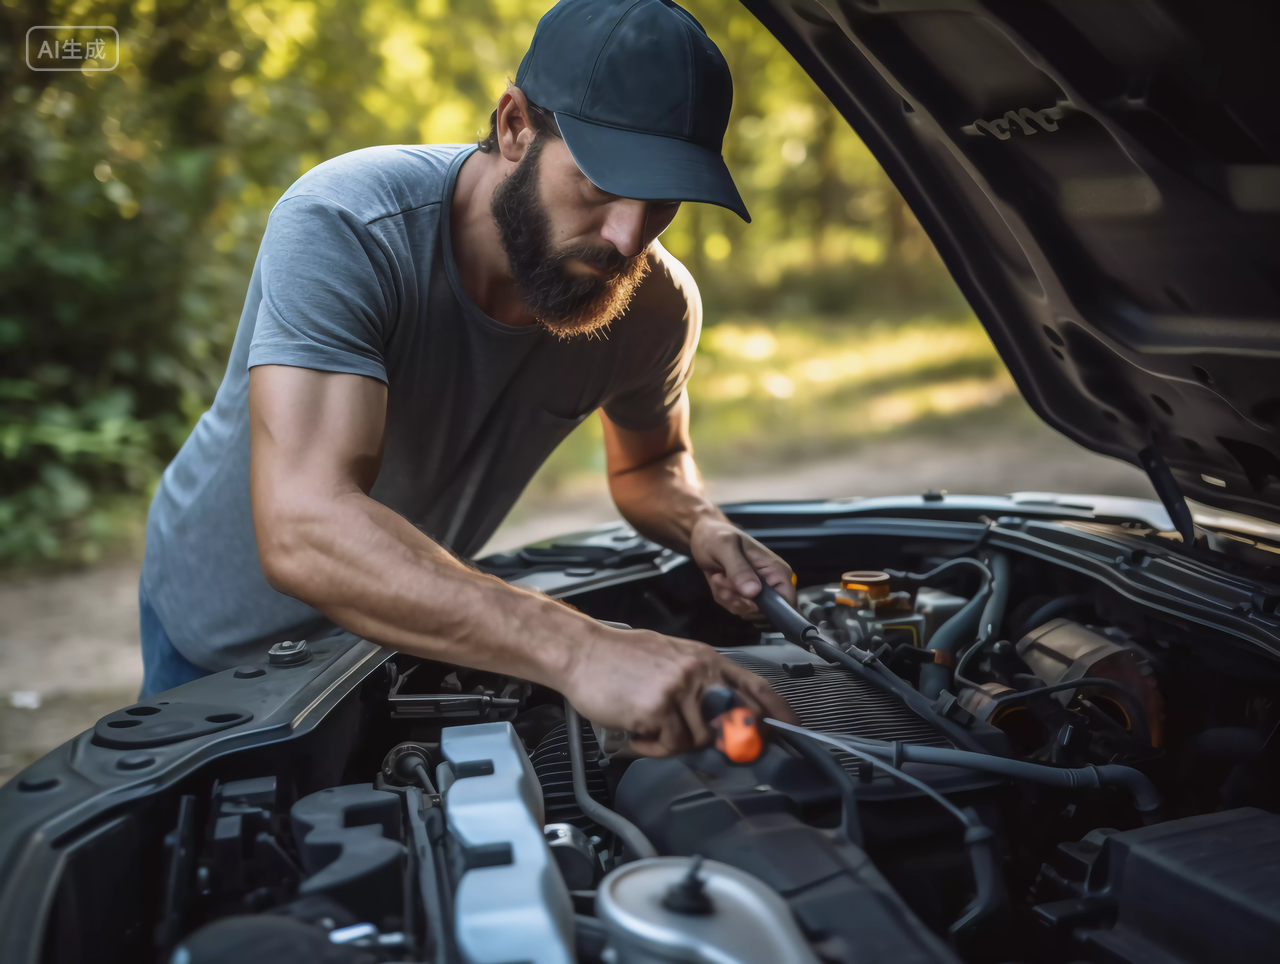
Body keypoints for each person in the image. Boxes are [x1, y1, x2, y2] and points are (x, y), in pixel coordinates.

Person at [139, 0, 798, 754]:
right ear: (514, 125)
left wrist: (704, 526)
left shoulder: (652, 307)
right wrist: (583, 649)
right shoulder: (347, 224)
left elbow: (653, 466)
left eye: (663, 201)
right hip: (220, 649)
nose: (627, 237)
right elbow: (304, 526)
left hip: (406, 638)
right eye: (600, 182)